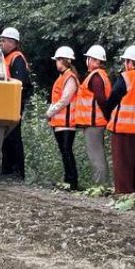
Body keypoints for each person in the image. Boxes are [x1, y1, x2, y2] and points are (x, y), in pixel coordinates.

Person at [102, 45, 135, 195]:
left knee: (122, 163)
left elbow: (112, 99)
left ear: (130, 62)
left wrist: (107, 114)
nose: (125, 64)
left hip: (123, 128)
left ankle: (124, 194)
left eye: (125, 61)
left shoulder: (125, 77)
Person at [73, 45, 111, 187]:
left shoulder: (96, 78)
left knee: (96, 155)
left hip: (94, 123)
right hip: (95, 122)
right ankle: (103, 185)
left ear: (94, 60)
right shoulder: (99, 76)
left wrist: (106, 116)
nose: (87, 61)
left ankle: (100, 186)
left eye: (89, 58)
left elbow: (101, 99)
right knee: (98, 154)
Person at [45, 46, 81, 190]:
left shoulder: (70, 77)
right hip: (60, 122)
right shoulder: (63, 77)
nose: (56, 63)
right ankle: (68, 180)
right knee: (64, 152)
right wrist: (51, 113)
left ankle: (72, 182)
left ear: (65, 61)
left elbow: (64, 100)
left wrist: (49, 112)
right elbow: (57, 100)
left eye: (58, 60)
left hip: (67, 122)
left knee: (67, 151)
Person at [0, 27, 32, 179]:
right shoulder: (7, 57)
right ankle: (7, 170)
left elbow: (20, 82)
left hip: (15, 102)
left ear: (12, 43)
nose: (1, 43)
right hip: (7, 102)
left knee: (14, 136)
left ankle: (17, 172)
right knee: (6, 136)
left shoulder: (17, 58)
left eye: (3, 40)